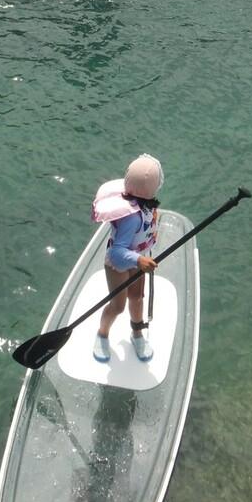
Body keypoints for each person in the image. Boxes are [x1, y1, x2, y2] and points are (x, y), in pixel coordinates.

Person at [90, 154, 163, 363]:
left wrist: (140, 259)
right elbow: (116, 252)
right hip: (118, 265)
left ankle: (137, 333)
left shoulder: (146, 206)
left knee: (137, 298)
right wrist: (139, 261)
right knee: (118, 305)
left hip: (137, 258)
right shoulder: (132, 218)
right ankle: (102, 333)